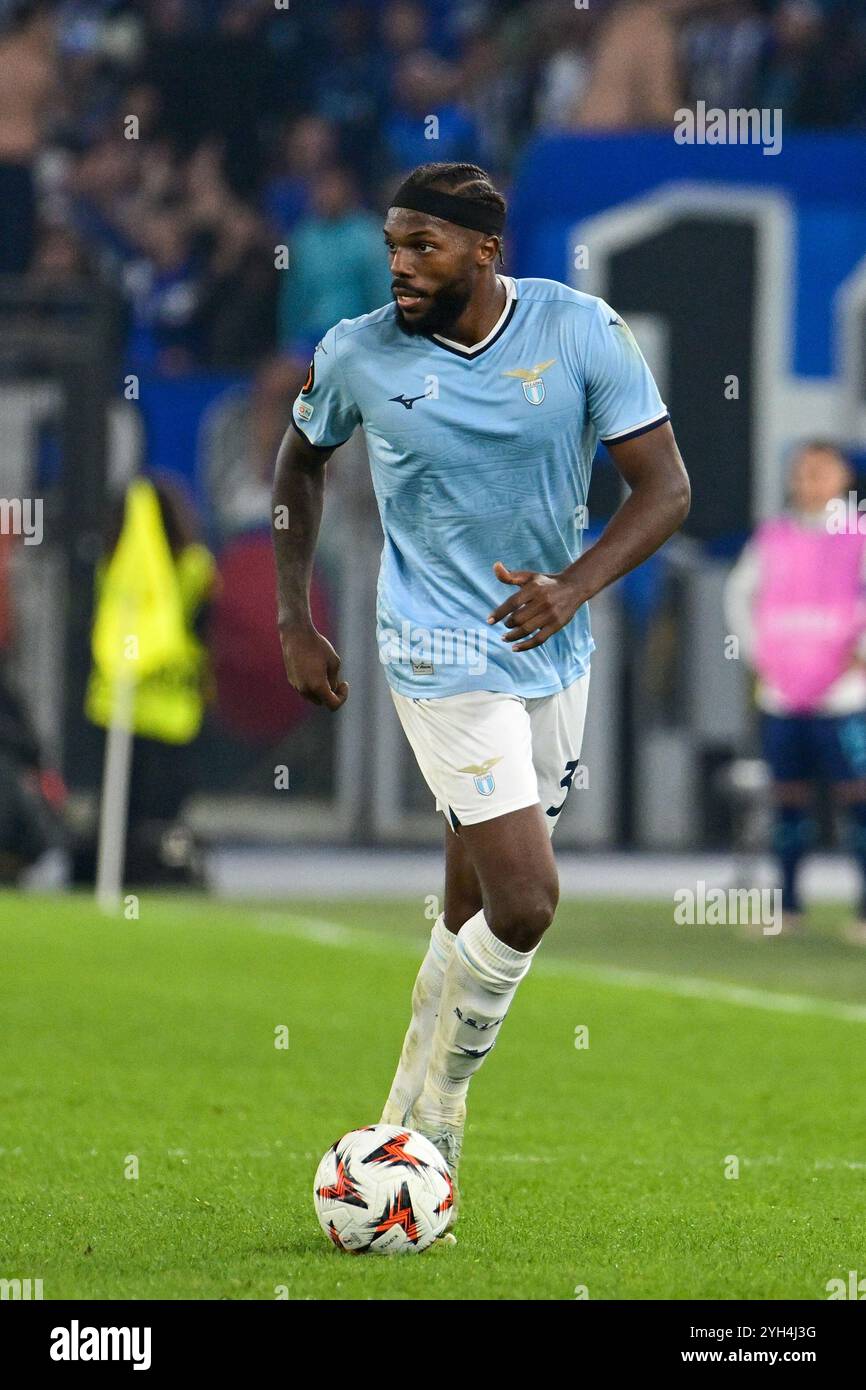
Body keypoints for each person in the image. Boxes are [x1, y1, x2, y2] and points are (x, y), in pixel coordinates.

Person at [272, 161, 690, 1235]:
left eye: (423, 247)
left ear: (484, 252)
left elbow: (665, 487)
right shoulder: (358, 351)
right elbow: (299, 464)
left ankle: (404, 1102)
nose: (399, 267)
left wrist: (572, 587)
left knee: (467, 907)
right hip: (434, 649)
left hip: (551, 644)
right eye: (393, 245)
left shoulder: (579, 332)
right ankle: (444, 1106)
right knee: (525, 901)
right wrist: (292, 615)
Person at [725, 441, 866, 940]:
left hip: (845, 693)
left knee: (858, 797)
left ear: (843, 479)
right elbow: (740, 596)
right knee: (787, 798)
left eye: (821, 472)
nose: (810, 481)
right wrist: (758, 655)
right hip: (783, 692)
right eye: (802, 472)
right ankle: (789, 908)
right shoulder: (773, 538)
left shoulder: (859, 535)